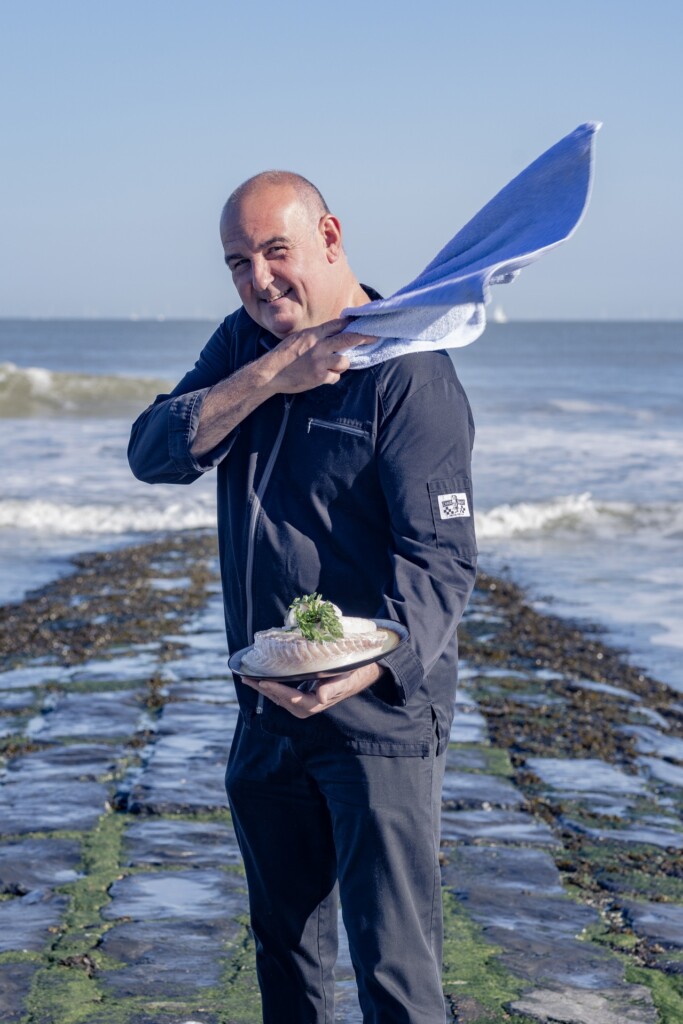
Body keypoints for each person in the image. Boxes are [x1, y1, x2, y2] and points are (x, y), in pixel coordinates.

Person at [128, 170, 477, 1024]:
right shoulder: (244, 344)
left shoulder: (409, 372)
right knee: (285, 961)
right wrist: (277, 370)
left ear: (329, 236)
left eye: (275, 251)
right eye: (237, 262)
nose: (258, 279)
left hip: (378, 723)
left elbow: (440, 562)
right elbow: (154, 450)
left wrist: (363, 666)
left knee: (394, 972)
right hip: (264, 705)